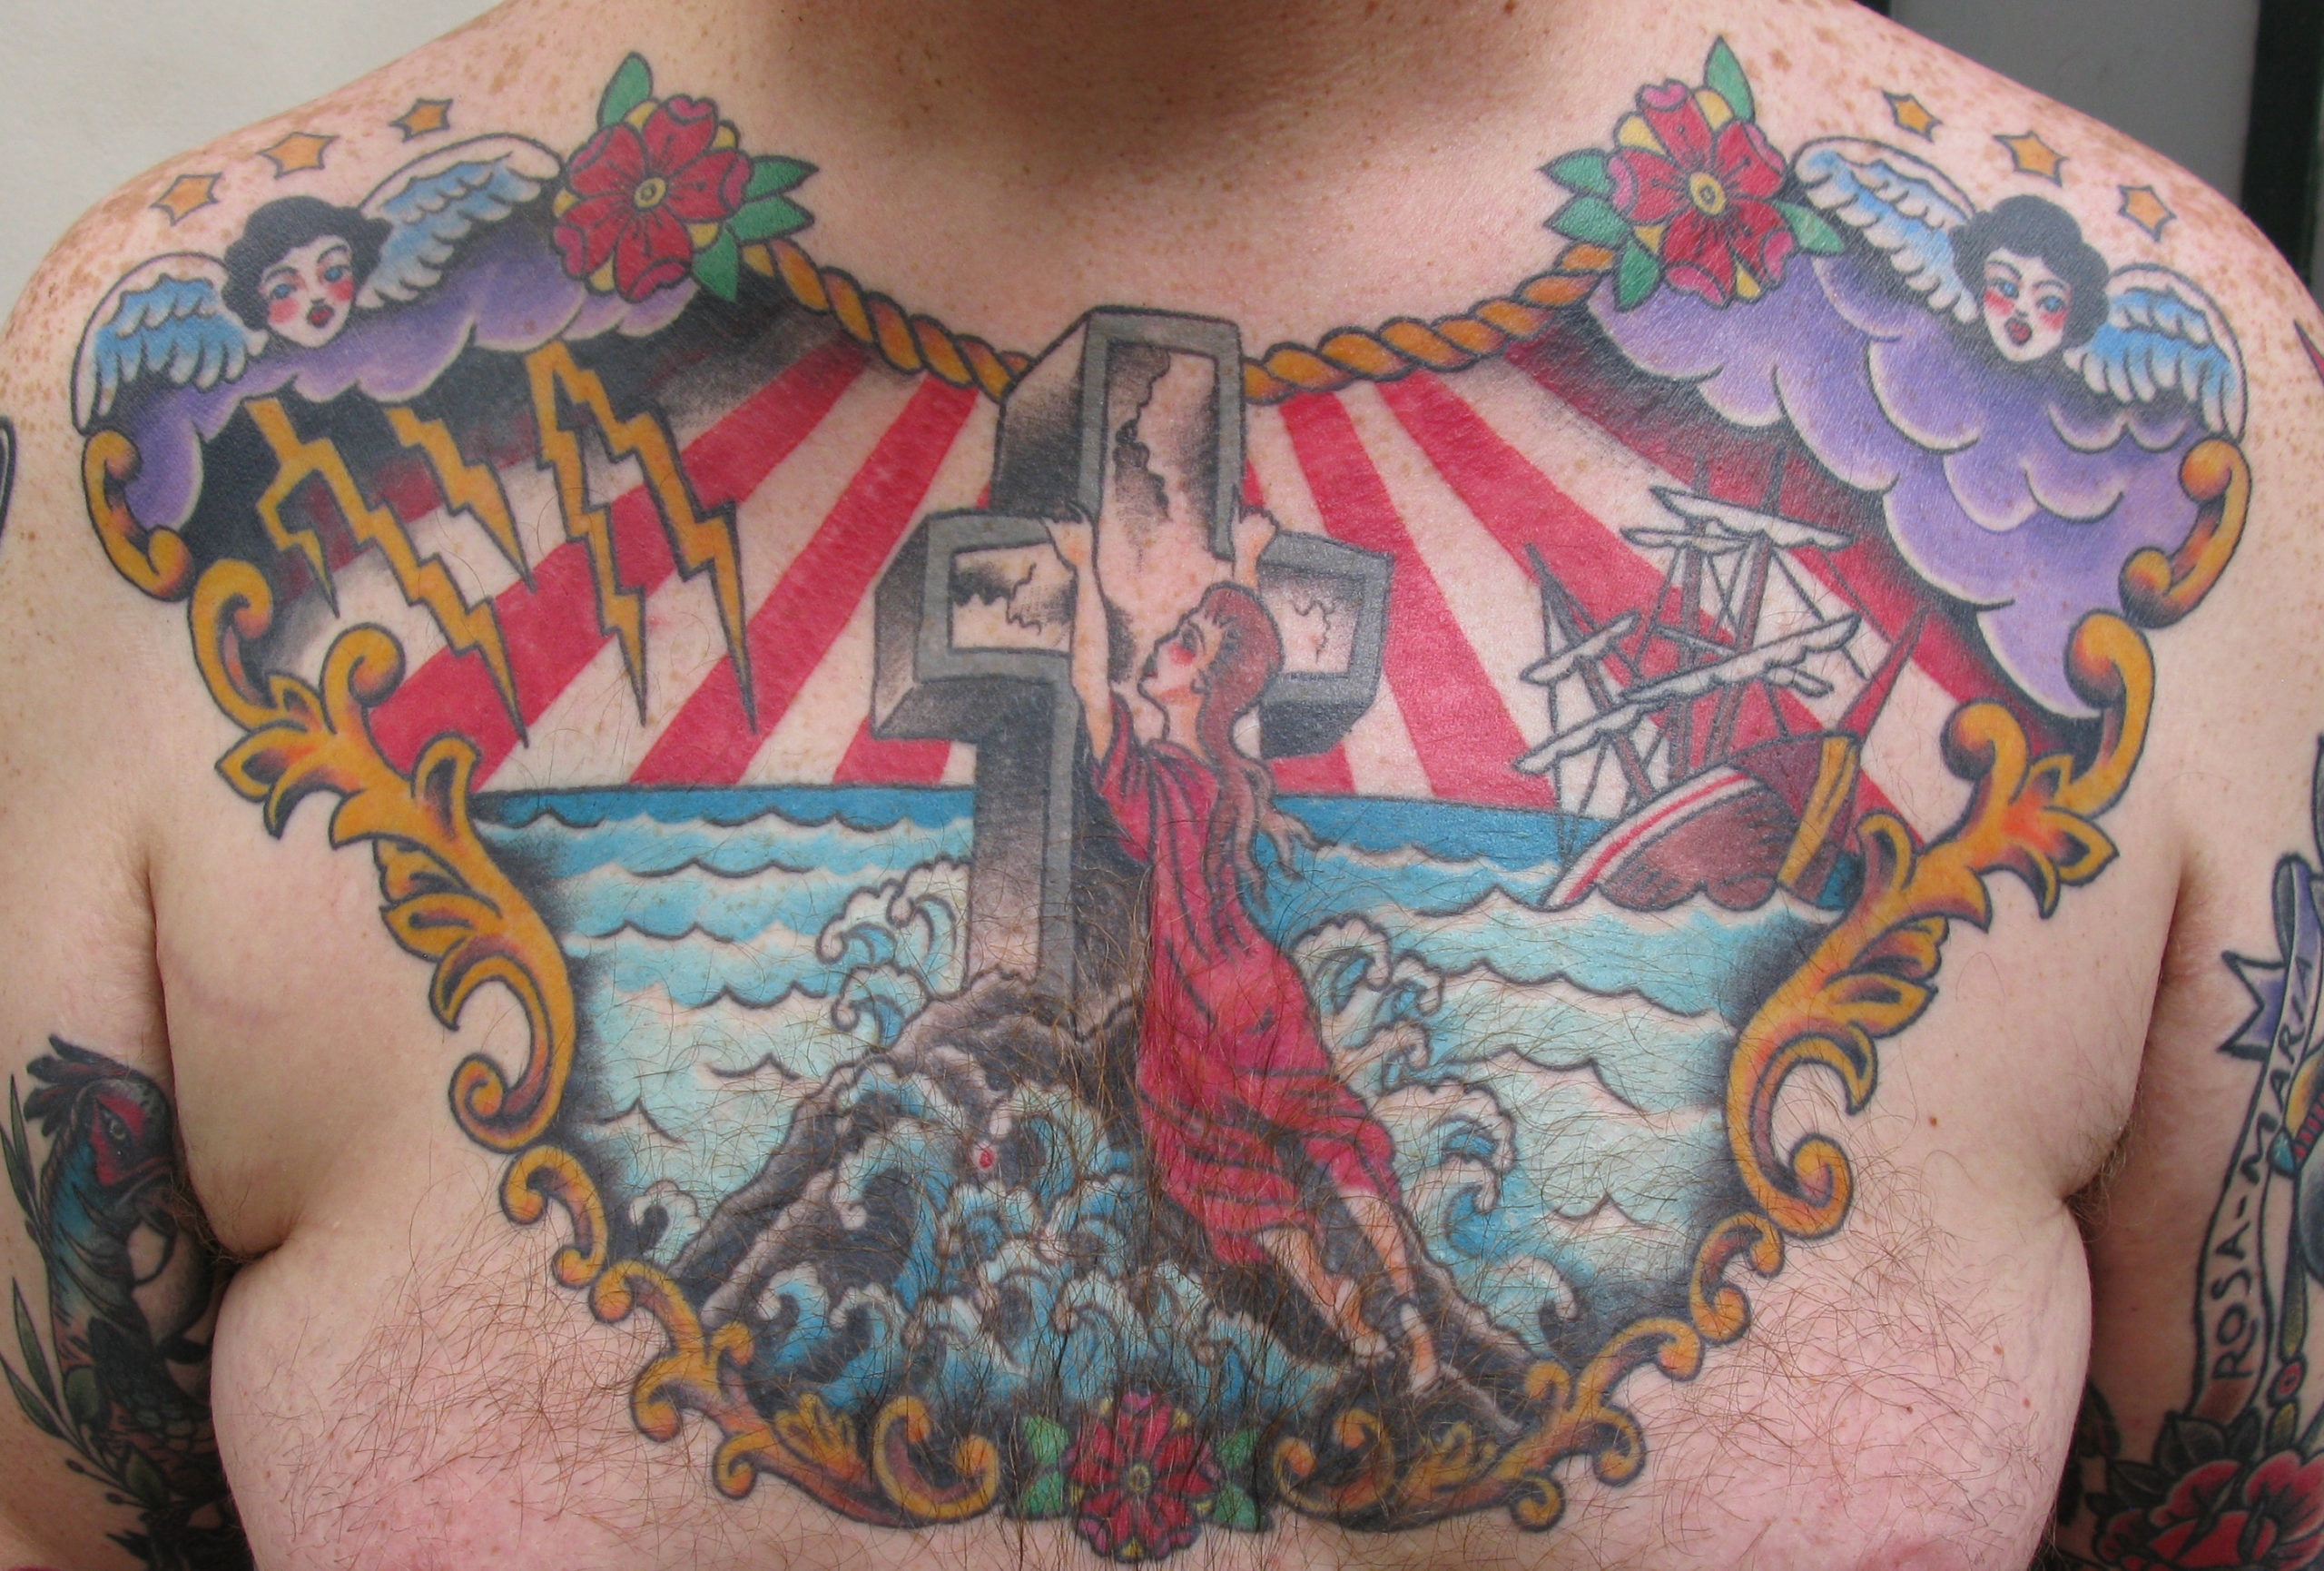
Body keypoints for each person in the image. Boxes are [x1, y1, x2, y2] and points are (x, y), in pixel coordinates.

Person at [0, 3, 2319, 1568]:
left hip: (1221, 982)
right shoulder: (142, 418)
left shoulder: (2198, 415)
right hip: (1183, 988)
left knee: (1316, 1166)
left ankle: (1386, 1303)